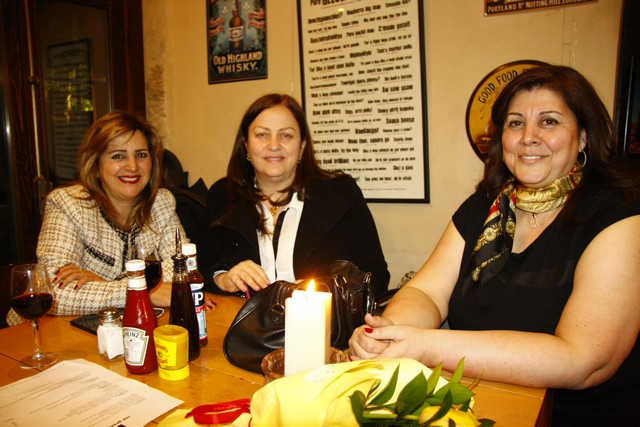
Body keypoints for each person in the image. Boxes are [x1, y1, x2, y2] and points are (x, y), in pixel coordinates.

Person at [349, 65, 640, 424]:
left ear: (582, 137)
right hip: (475, 402)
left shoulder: (619, 213)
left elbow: (583, 359)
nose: (528, 137)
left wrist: (424, 345)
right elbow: (426, 293)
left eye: (549, 122)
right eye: (516, 123)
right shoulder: (483, 206)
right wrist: (389, 332)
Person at [8, 111, 188, 326]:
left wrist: (102, 283)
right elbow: (54, 293)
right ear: (95, 165)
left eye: (141, 155)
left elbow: (183, 271)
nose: (132, 166)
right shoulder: (68, 203)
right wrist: (143, 292)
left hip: (120, 329)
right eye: (118, 156)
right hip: (42, 332)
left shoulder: (161, 202)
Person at [200, 93, 390, 297]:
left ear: (302, 146)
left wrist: (326, 291)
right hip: (241, 316)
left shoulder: (341, 194)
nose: (274, 145)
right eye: (262, 134)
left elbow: (375, 277)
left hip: (320, 317)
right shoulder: (222, 196)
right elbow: (201, 267)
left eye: (286, 135)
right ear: (246, 144)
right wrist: (221, 278)